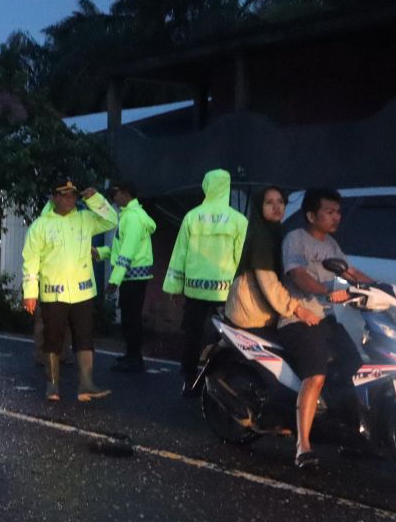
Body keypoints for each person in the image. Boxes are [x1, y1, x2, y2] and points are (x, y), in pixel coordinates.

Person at [278, 188, 373, 469]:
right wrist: (327, 292)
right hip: (299, 320)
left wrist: (383, 289)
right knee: (316, 376)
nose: (336, 217)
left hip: (325, 320)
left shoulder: (330, 245)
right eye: (329, 212)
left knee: (353, 365)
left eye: (338, 212)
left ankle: (347, 435)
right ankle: (302, 447)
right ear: (311, 215)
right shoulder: (295, 240)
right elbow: (299, 276)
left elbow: (351, 273)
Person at [223, 187, 322, 452]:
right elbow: (268, 283)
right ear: (259, 207)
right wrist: (297, 309)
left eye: (280, 202)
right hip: (251, 313)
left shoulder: (278, 233)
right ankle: (270, 415)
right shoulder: (260, 237)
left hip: (268, 310)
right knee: (280, 363)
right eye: (269, 203)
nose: (277, 207)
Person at [22, 177, 117, 402]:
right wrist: (30, 293)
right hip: (54, 293)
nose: (69, 199)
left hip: (82, 292)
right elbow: (31, 261)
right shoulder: (40, 226)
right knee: (53, 338)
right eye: (64, 195)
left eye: (73, 195)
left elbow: (112, 220)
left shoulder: (85, 218)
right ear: (54, 197)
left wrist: (95, 199)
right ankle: (53, 385)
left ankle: (86, 384)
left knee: (84, 338)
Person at [162, 169, 248, 398]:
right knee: (229, 339)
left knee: (192, 336)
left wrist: (173, 287)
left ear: (206, 186)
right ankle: (225, 382)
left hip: (195, 291)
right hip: (226, 293)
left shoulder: (192, 216)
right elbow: (242, 259)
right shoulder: (239, 220)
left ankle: (189, 380)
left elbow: (180, 253)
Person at [99, 182, 156, 373]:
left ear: (125, 193)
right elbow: (119, 249)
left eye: (115, 194)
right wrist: (99, 252)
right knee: (131, 317)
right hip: (134, 276)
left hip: (131, 278)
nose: (113, 199)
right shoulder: (133, 216)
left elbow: (126, 253)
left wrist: (114, 280)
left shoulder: (131, 218)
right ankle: (132, 355)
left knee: (131, 318)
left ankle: (134, 358)